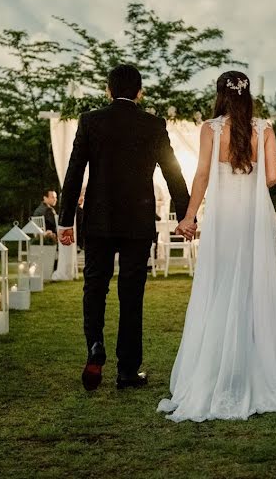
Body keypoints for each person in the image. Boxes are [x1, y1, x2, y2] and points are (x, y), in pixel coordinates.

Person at [158, 70, 276, 423]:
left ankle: (216, 369)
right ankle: (254, 369)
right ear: (248, 96)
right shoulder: (264, 129)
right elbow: (271, 177)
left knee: (219, 285)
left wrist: (190, 216)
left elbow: (202, 174)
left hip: (223, 220)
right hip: (252, 217)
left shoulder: (211, 129)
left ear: (220, 95)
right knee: (252, 287)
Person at [57, 63, 191, 391]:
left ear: (108, 90)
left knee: (94, 287)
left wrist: (64, 219)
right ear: (139, 92)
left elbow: (74, 172)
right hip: (138, 221)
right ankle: (128, 371)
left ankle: (94, 347)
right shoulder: (152, 124)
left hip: (99, 221)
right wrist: (187, 215)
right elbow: (173, 172)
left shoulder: (91, 121)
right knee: (131, 295)